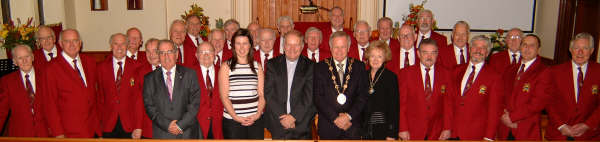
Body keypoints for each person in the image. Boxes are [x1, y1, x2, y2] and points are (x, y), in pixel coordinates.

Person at [41, 29, 101, 138]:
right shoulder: (51, 68)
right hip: (69, 132)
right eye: (67, 41)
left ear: (80, 43)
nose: (72, 44)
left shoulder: (90, 62)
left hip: (93, 128)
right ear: (60, 44)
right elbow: (50, 104)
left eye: (75, 40)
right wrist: (58, 133)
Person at [545, 33, 600, 141]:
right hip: (559, 133)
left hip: (589, 135)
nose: (580, 52)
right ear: (570, 50)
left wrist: (587, 125)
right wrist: (561, 126)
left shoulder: (598, 71)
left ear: (592, 50)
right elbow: (548, 102)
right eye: (576, 48)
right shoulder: (554, 72)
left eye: (585, 48)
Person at [143, 40, 202, 139]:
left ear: (176, 54)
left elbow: (194, 104)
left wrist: (180, 125)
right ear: (158, 55)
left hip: (187, 132)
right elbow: (149, 107)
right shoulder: (149, 78)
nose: (166, 56)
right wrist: (167, 125)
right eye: (162, 53)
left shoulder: (190, 74)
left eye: (169, 52)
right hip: (162, 133)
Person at [314, 31, 368, 139]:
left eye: (343, 47)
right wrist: (335, 118)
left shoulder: (359, 67)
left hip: (352, 126)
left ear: (348, 48)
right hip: (329, 126)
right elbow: (318, 97)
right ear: (330, 48)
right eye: (336, 47)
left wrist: (348, 117)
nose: (339, 51)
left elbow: (362, 97)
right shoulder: (320, 67)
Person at [264, 30, 315, 139]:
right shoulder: (272, 64)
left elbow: (308, 96)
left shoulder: (311, 66)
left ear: (302, 46)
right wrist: (284, 119)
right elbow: (269, 93)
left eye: (296, 45)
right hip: (277, 123)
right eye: (288, 44)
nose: (292, 48)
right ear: (283, 46)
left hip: (301, 124)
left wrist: (293, 117)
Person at [398, 39, 453, 140]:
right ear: (418, 54)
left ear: (437, 54)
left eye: (433, 53)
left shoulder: (446, 73)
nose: (429, 57)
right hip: (412, 130)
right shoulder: (406, 73)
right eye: (425, 52)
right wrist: (403, 128)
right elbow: (401, 104)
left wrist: (447, 128)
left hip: (437, 131)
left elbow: (448, 103)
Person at [498, 34, 550, 140]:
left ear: (538, 49)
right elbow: (499, 95)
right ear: (520, 47)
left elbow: (537, 103)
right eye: (524, 45)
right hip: (505, 129)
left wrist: (512, 118)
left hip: (526, 130)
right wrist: (503, 115)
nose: (527, 48)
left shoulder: (544, 71)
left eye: (532, 46)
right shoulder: (510, 69)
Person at [450, 35, 502, 141]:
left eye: (483, 47)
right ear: (469, 49)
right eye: (475, 46)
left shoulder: (494, 77)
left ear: (487, 52)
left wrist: (489, 137)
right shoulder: (456, 71)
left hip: (476, 135)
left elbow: (494, 110)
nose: (478, 50)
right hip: (452, 133)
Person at [218, 29, 265, 139]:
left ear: (250, 45)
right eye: (238, 44)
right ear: (233, 46)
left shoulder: (257, 66)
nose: (242, 47)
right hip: (233, 122)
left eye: (245, 43)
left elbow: (262, 94)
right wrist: (236, 117)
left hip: (255, 121)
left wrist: (257, 115)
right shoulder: (226, 67)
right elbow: (224, 97)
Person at [97, 33, 143, 138]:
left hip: (130, 125)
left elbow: (138, 100)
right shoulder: (101, 68)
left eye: (122, 44)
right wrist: (98, 127)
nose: (119, 47)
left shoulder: (137, 67)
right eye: (116, 44)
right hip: (108, 124)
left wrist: (138, 126)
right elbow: (99, 99)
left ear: (127, 46)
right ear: (110, 46)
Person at [0, 44, 49, 137]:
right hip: (20, 134)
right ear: (14, 62)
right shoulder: (7, 81)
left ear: (32, 57)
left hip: (46, 133)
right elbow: (1, 111)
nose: (25, 61)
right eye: (20, 58)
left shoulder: (46, 76)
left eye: (27, 56)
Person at [361, 40, 398, 140]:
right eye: (372, 56)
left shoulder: (391, 77)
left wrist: (391, 133)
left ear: (385, 58)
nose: (375, 59)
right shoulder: (363, 76)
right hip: (364, 129)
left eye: (379, 56)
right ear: (368, 57)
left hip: (383, 129)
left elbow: (394, 107)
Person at [192, 42, 224, 139]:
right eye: (202, 52)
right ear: (196, 55)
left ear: (214, 54)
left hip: (220, 126)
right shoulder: (189, 74)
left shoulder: (223, 71)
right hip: (197, 126)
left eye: (209, 51)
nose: (206, 55)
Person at [135, 38, 161, 139]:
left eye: (155, 51)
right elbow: (138, 101)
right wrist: (138, 126)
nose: (151, 55)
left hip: (171, 127)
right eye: (148, 52)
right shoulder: (140, 73)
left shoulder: (172, 69)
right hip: (149, 127)